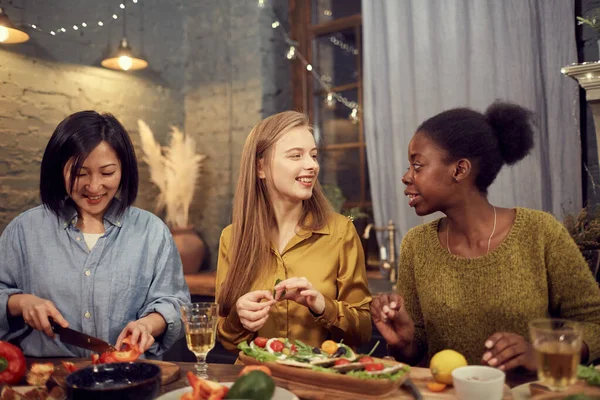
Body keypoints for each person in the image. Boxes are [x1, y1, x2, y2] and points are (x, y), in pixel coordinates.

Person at [371, 101, 600, 371]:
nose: (406, 177)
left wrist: (542, 355)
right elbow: (416, 347)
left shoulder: (539, 232)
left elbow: (594, 323)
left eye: (417, 165)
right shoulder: (416, 245)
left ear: (459, 170)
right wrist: (402, 343)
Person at [0, 111, 190, 357]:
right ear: (59, 170)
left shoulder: (151, 232)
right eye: (80, 174)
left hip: (129, 375)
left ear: (124, 170)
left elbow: (175, 302)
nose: (94, 186)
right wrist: (20, 302)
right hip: (45, 378)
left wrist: (147, 325)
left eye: (107, 173)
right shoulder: (24, 230)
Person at [216, 111, 372, 353]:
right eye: (296, 156)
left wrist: (321, 305)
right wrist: (239, 317)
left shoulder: (341, 232)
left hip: (319, 383)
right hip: (257, 383)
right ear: (260, 168)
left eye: (313, 155)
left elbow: (363, 331)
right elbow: (227, 341)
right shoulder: (232, 237)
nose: (311, 165)